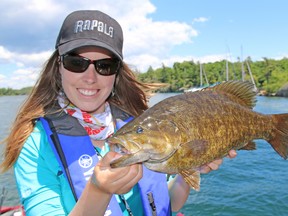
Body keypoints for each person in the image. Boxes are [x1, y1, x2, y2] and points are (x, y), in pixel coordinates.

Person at [0, 10, 237, 216]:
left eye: (105, 66)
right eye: (76, 62)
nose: (90, 77)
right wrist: (98, 190)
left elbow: (171, 204)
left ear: (116, 75)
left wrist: (191, 169)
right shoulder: (35, 145)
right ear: (58, 67)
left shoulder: (140, 126)